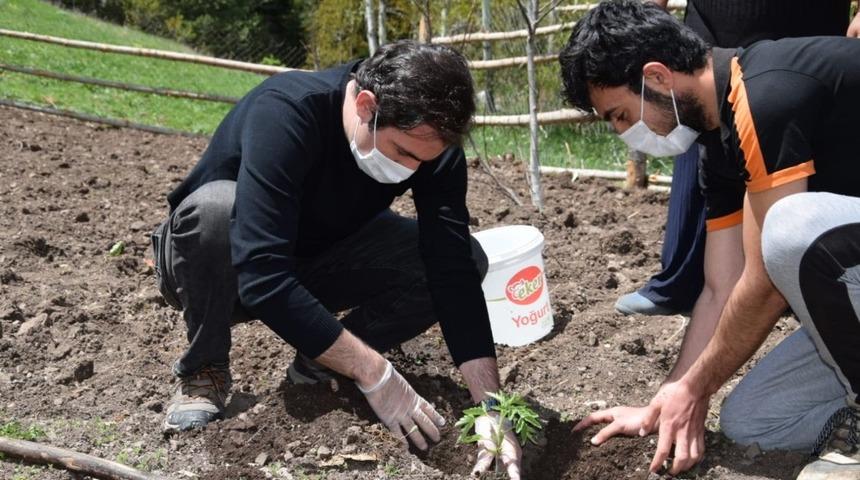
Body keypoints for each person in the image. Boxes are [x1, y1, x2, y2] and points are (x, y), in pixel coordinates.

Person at [151, 40, 520, 478]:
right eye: (403, 152)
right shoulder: (288, 110)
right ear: (366, 105)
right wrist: (375, 372)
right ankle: (204, 369)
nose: (413, 168)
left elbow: (452, 270)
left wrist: (493, 407)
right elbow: (261, 273)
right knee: (214, 210)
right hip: (218, 267)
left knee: (467, 258)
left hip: (317, 258)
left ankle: (319, 362)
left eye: (426, 159)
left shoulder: (429, 143)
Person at [559, 1, 860, 477]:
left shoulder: (767, 91)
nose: (625, 134)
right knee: (753, 420)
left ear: (657, 77)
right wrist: (667, 398)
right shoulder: (716, 146)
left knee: (788, 229)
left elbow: (762, 284)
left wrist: (697, 388)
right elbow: (723, 286)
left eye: (619, 115)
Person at [615, 0, 860, 316]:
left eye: (619, 116)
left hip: (805, 25)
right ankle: (682, 282)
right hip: (714, 35)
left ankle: (802, 287)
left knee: (802, 191)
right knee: (701, 130)